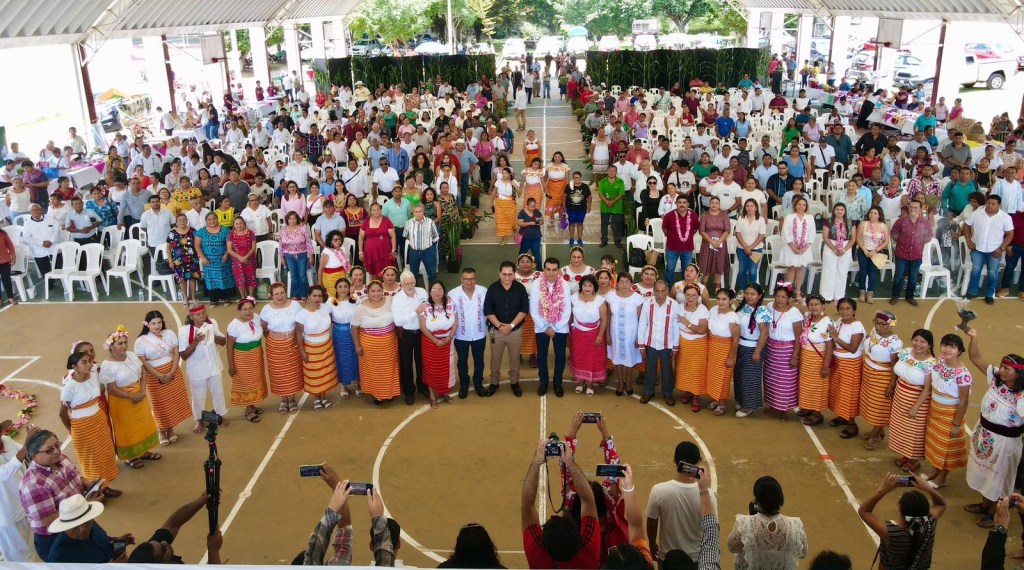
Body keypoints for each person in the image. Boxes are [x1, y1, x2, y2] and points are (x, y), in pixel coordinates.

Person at [963, 327, 1024, 527]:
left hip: (1005, 443)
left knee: (999, 479)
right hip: (985, 434)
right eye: (1002, 366)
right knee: (984, 472)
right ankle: (984, 504)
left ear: (1019, 374)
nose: (1002, 370)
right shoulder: (996, 379)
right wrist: (974, 337)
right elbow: (975, 357)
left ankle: (995, 512)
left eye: (1008, 369)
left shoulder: (1022, 397)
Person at [521, 435, 600, 569]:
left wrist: (536, 461)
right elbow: (588, 499)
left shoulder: (538, 558)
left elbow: (527, 505)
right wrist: (570, 463)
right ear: (577, 536)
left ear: (545, 545)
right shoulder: (589, 551)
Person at [58, 350, 121, 497]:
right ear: (75, 367)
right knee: (91, 459)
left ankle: (105, 486)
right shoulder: (69, 387)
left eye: (89, 361)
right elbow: (62, 414)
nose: (88, 365)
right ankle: (95, 490)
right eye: (83, 362)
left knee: (104, 453)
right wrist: (72, 430)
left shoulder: (94, 377)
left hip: (99, 421)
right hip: (83, 427)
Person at [916, 333, 971, 489]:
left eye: (952, 347)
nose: (947, 349)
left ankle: (942, 478)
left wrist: (956, 424)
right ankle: (935, 472)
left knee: (946, 449)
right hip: (935, 411)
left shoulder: (963, 374)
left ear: (959, 351)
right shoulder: (940, 360)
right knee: (936, 445)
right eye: (945, 345)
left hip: (950, 415)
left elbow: (964, 401)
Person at [646, 441, 716, 562]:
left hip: (667, 558)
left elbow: (652, 524)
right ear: (698, 463)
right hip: (696, 559)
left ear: (674, 460)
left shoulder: (659, 490)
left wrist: (652, 545)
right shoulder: (709, 496)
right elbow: (711, 529)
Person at [858, 472, 944, 568]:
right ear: (926, 510)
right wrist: (928, 488)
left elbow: (863, 511)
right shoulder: (929, 523)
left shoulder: (890, 532)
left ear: (899, 508)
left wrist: (881, 491)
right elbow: (941, 504)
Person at [134, 311, 190, 446]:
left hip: (172, 371)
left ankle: (170, 428)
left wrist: (172, 371)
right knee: (159, 403)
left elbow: (176, 353)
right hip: (154, 376)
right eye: (153, 323)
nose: (157, 326)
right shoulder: (141, 341)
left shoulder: (169, 334)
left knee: (172, 401)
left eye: (159, 322)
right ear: (147, 324)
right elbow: (144, 363)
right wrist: (159, 375)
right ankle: (161, 429)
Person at [727, 476, 808, 568]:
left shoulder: (745, 523)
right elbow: (803, 553)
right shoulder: (795, 525)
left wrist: (749, 517)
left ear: (757, 500)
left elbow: (732, 547)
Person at [127, 490, 223, 564]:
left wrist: (201, 500)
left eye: (158, 542)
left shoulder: (146, 556)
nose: (164, 542)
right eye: (163, 548)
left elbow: (173, 523)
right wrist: (213, 552)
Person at [889, 329, 937, 473]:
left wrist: (916, 407)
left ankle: (914, 460)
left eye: (923, 341)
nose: (918, 344)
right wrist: (892, 385)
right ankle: (905, 455)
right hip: (900, 397)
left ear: (929, 345)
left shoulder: (931, 363)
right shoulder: (905, 352)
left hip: (917, 402)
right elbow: (896, 371)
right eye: (916, 340)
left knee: (914, 431)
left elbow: (927, 389)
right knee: (901, 428)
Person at [484, 261, 530, 398]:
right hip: (496, 331)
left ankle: (514, 382)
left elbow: (524, 310)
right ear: (499, 273)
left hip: (515, 331)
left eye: (510, 274)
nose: (507, 277)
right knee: (495, 359)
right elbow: (488, 310)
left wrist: (510, 326)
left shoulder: (520, 288)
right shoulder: (492, 288)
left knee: (515, 358)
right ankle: (494, 383)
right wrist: (499, 326)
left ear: (514, 274)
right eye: (504, 274)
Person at [351, 280, 401, 405]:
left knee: (389, 370)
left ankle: (389, 393)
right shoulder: (361, 307)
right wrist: (357, 345)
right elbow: (354, 328)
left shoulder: (391, 301)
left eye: (378, 290)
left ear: (382, 291)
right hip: (370, 348)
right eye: (372, 291)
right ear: (368, 292)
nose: (376, 293)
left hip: (389, 346)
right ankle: (377, 395)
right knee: (374, 372)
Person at [531, 258, 572, 398]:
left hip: (560, 327)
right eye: (548, 269)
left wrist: (555, 327)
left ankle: (557, 383)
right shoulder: (536, 284)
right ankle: (543, 382)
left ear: (558, 270)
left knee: (560, 356)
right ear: (544, 269)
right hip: (541, 327)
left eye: (554, 269)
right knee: (541, 356)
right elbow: (533, 308)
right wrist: (545, 326)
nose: (551, 273)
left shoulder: (565, 285)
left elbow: (567, 309)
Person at [259, 283, 303, 414]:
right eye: (276, 294)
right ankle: (284, 399)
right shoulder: (266, 309)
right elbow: (264, 327)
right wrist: (275, 339)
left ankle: (292, 398)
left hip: (293, 344)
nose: (280, 296)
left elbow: (301, 324)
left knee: (293, 372)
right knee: (279, 374)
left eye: (282, 293)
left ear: (286, 293)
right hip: (274, 346)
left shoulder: (295, 305)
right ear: (271, 295)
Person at [45, 493, 127, 563]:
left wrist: (115, 541)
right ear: (65, 528)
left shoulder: (92, 524)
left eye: (86, 523)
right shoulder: (58, 557)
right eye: (75, 527)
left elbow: (103, 539)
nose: (84, 530)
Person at [963, 194, 1015, 305]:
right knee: (976, 271)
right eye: (988, 203)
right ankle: (973, 291)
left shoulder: (1006, 217)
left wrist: (1001, 248)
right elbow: (966, 226)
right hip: (977, 248)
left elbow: (1010, 234)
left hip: (995, 250)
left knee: (993, 273)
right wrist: (968, 241)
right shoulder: (977, 214)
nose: (990, 205)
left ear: (999, 205)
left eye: (993, 204)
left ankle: (989, 294)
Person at [225, 297, 268, 422]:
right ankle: (248, 409)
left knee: (256, 380)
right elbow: (229, 347)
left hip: (256, 355)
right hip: (242, 358)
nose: (248, 312)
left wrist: (266, 328)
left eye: (250, 309)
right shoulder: (234, 325)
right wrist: (231, 366)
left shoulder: (257, 317)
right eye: (244, 309)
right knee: (246, 382)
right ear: (239, 310)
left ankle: (253, 404)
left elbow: (264, 333)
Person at [0, 421, 38, 561]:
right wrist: (27, 444)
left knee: (33, 546)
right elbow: (4, 473)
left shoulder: (6, 440)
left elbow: (24, 453)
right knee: (18, 557)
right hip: (7, 515)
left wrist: (36, 443)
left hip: (24, 503)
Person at [637, 280, 679, 405]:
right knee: (649, 368)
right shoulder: (647, 304)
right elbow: (643, 324)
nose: (660, 294)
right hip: (651, 343)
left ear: (667, 291)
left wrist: (675, 347)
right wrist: (641, 345)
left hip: (668, 344)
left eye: (663, 291)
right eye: (657, 291)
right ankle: (648, 391)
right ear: (653, 291)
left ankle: (668, 393)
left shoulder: (674, 305)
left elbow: (676, 327)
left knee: (667, 370)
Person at [765, 283, 803, 421]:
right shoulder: (769, 306)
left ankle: (784, 409)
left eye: (783, 297)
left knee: (786, 382)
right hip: (771, 349)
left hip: (787, 351)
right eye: (777, 296)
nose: (780, 299)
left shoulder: (794, 313)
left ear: (789, 299)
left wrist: (794, 356)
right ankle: (774, 405)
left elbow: (798, 337)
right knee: (771, 380)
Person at [417, 281, 457, 408]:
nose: (437, 292)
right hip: (430, 343)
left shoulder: (450, 303)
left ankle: (444, 392)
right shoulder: (424, 306)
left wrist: (450, 336)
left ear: (444, 291)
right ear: (430, 292)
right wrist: (435, 341)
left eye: (440, 289)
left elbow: (455, 322)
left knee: (446, 369)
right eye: (434, 289)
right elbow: (423, 328)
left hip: (448, 342)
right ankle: (432, 396)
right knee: (431, 370)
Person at [451, 268, 490, 399]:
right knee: (462, 361)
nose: (469, 282)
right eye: (466, 279)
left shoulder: (484, 291)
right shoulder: (452, 294)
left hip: (479, 333)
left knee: (479, 360)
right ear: (461, 279)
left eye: (472, 279)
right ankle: (464, 384)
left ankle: (478, 383)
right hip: (461, 335)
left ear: (476, 279)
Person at [797, 295, 834, 427]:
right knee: (807, 384)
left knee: (817, 386)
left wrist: (826, 365)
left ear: (823, 305)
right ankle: (808, 407)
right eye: (811, 304)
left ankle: (817, 414)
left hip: (818, 359)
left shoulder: (827, 323)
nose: (814, 307)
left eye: (817, 304)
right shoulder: (809, 318)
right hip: (806, 358)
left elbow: (830, 346)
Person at [734, 284, 770, 418]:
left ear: (760, 296)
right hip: (741, 345)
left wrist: (757, 351)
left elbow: (765, 333)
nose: (749, 296)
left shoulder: (762, 310)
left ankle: (749, 405)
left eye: (752, 294)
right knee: (740, 376)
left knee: (750, 378)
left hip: (753, 347)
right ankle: (742, 400)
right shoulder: (744, 307)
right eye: (747, 293)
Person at [392, 270, 428, 405]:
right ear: (401, 284)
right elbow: (398, 322)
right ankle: (408, 392)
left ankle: (423, 387)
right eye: (406, 283)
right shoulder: (397, 299)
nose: (409, 285)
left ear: (415, 281)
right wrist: (415, 312)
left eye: (412, 282)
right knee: (406, 364)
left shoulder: (422, 292)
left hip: (422, 333)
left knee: (422, 362)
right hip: (406, 335)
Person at [569, 275, 608, 395]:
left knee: (592, 359)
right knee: (579, 357)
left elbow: (604, 320)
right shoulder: (574, 297)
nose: (587, 288)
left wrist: (600, 336)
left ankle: (590, 383)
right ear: (581, 286)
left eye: (590, 285)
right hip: (577, 334)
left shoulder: (600, 300)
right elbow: (570, 315)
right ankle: (580, 381)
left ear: (594, 287)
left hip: (594, 334)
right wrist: (570, 329)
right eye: (584, 285)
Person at [889, 200, 933, 306]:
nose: (913, 209)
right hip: (901, 253)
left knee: (913, 276)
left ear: (921, 209)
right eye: (911, 207)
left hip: (916, 254)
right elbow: (893, 234)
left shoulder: (925, 222)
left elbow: (929, 236)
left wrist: (919, 242)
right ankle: (895, 295)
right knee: (898, 275)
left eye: (916, 207)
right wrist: (903, 241)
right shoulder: (901, 221)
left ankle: (910, 296)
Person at [704, 288, 740, 415]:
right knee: (712, 375)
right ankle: (715, 399)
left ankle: (722, 404)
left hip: (725, 350)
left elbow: (736, 340)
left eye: (724, 299)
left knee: (723, 378)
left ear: (731, 301)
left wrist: (731, 357)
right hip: (712, 348)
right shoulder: (713, 310)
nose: (720, 302)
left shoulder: (732, 317)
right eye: (718, 299)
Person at [675, 284, 710, 410]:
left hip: (698, 345)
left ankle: (696, 397)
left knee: (696, 371)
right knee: (684, 369)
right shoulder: (678, 307)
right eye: (688, 295)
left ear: (699, 296)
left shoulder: (703, 310)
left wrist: (687, 323)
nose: (691, 298)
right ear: (684, 295)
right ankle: (688, 392)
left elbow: (702, 330)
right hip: (683, 343)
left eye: (694, 295)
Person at [329, 279, 361, 400]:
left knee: (356, 357)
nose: (343, 289)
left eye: (345, 286)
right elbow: (328, 319)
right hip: (339, 333)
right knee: (342, 359)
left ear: (349, 288)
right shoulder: (330, 302)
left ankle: (357, 383)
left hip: (354, 331)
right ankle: (344, 385)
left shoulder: (356, 299)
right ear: (336, 288)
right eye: (340, 287)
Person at [781, 196, 815, 302]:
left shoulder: (809, 218)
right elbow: (785, 233)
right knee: (791, 268)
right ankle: (788, 293)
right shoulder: (789, 217)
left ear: (806, 207)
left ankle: (798, 292)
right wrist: (793, 247)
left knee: (800, 269)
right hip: (790, 247)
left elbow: (812, 233)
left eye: (803, 205)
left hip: (804, 248)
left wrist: (805, 247)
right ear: (795, 206)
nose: (801, 206)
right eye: (799, 204)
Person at [820, 204, 854, 303]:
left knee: (842, 272)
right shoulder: (828, 221)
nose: (839, 211)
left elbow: (853, 238)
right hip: (831, 246)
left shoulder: (850, 222)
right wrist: (834, 249)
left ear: (845, 211)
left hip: (845, 247)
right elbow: (825, 237)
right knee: (829, 271)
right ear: (834, 210)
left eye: (842, 209)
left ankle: (839, 296)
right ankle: (826, 296)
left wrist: (844, 249)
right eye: (837, 209)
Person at [856, 207, 889, 304]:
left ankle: (870, 292)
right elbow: (857, 238)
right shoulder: (863, 223)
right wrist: (865, 250)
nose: (872, 215)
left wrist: (875, 250)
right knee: (863, 271)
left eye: (875, 213)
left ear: (879, 215)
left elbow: (886, 241)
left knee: (873, 272)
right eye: (871, 213)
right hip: (863, 250)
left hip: (876, 252)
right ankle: (862, 291)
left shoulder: (883, 226)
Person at [697, 196, 730, 290]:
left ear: (719, 205)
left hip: (721, 243)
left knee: (719, 263)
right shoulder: (705, 215)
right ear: (709, 204)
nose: (714, 204)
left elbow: (727, 230)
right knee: (706, 264)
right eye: (712, 202)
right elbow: (701, 230)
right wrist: (711, 241)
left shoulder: (724, 215)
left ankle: (718, 286)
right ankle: (703, 287)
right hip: (707, 243)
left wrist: (719, 241)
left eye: (716, 203)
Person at [359, 202, 397, 278]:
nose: (376, 212)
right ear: (370, 211)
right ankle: (373, 287)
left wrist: (393, 250)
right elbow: (361, 237)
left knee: (387, 271)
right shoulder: (366, 222)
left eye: (378, 209)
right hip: (370, 252)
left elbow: (393, 236)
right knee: (372, 273)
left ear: (380, 210)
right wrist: (360, 252)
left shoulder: (387, 221)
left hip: (385, 251)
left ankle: (386, 287)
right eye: (374, 210)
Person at [404, 204, 439, 284]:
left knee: (432, 275)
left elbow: (435, 237)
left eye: (420, 211)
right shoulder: (408, 223)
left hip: (428, 251)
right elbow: (407, 236)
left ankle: (431, 293)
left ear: (424, 212)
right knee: (413, 275)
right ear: (413, 213)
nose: (418, 213)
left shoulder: (430, 222)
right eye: (416, 212)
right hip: (414, 252)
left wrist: (429, 248)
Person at [226, 217, 257, 300]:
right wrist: (240, 258)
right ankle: (243, 297)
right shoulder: (231, 235)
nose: (239, 225)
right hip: (237, 261)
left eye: (240, 223)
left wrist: (245, 257)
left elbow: (253, 247)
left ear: (244, 224)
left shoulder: (250, 233)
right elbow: (229, 249)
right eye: (236, 224)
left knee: (251, 277)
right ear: (234, 225)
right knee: (240, 278)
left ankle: (251, 297)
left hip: (249, 259)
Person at [598, 165, 625, 248]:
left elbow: (621, 194)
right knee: (604, 224)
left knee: (617, 224)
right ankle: (604, 240)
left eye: (613, 171)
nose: (611, 172)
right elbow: (600, 194)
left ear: (616, 172)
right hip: (605, 207)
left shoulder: (620, 182)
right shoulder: (602, 181)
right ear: (607, 171)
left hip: (617, 207)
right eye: (610, 170)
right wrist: (606, 201)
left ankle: (617, 240)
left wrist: (613, 201)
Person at [564, 171, 591, 247]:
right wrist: (563, 206)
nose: (576, 179)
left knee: (580, 223)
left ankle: (579, 238)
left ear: (580, 178)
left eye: (578, 177)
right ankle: (571, 238)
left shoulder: (585, 187)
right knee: (571, 223)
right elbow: (564, 195)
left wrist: (589, 207)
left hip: (581, 209)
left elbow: (589, 197)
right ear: (573, 178)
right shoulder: (569, 186)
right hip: (571, 209)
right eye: (575, 177)